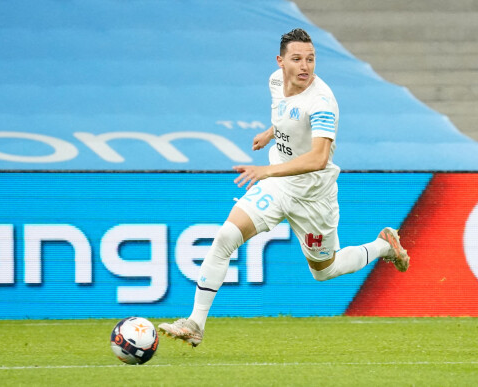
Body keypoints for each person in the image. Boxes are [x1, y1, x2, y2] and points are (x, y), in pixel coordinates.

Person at [159, 28, 410, 347]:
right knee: (225, 237)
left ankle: (383, 247)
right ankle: (196, 323)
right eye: (297, 59)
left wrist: (267, 170)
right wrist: (270, 134)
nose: (305, 66)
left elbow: (319, 157)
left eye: (311, 59)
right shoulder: (276, 82)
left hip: (313, 197)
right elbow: (286, 115)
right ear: (280, 62)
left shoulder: (322, 102)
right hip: (278, 187)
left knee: (325, 270)